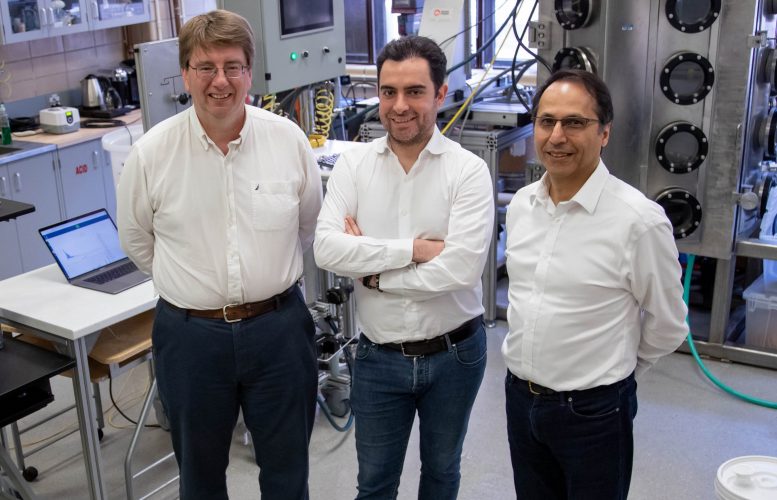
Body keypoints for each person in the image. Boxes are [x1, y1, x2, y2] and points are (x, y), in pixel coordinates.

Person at [116, 10, 322, 500]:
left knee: (288, 471)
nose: (220, 81)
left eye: (233, 66)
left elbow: (307, 225)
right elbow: (138, 241)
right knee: (200, 478)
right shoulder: (151, 154)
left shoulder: (288, 141)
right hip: (191, 338)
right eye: (205, 67)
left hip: (279, 331)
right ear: (185, 73)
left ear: (250, 71)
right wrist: (196, 287)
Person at [314, 36, 494, 499]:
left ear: (439, 93)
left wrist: (372, 272)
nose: (399, 106)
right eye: (388, 91)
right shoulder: (353, 167)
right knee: (374, 484)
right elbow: (327, 251)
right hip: (379, 357)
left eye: (414, 91)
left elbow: (460, 271)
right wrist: (415, 249)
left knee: (441, 473)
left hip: (456, 355)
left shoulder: (468, 172)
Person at [502, 68, 689, 499]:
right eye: (546, 121)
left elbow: (668, 324)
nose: (557, 136)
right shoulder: (521, 207)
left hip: (594, 413)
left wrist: (616, 374)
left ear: (604, 133)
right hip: (520, 399)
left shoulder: (637, 222)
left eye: (575, 123)